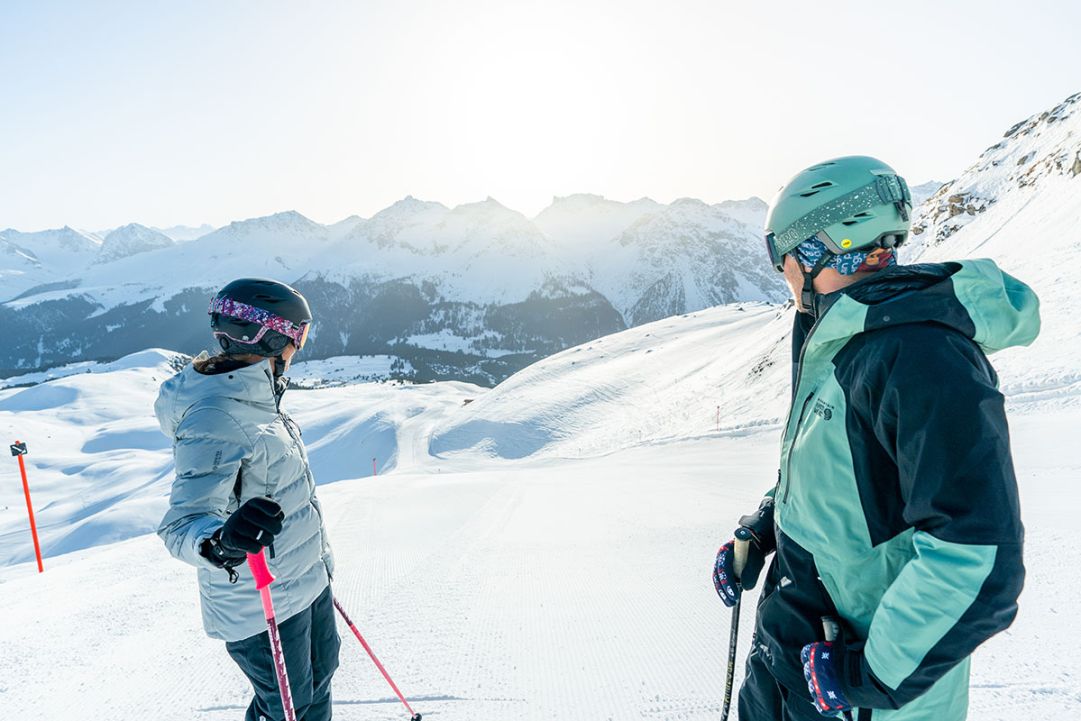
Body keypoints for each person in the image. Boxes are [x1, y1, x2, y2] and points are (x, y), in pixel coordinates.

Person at [712, 156, 1040, 720]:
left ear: (818, 248)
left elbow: (980, 556)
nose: (784, 274)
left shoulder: (919, 358)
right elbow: (843, 473)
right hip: (793, 665)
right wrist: (767, 528)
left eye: (782, 256)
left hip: (856, 696)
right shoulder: (849, 339)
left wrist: (866, 678)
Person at [156, 277, 339, 721]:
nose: (300, 347)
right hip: (261, 600)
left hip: (305, 578)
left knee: (320, 677)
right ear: (274, 336)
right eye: (300, 335)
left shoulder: (258, 397)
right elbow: (182, 524)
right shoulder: (217, 415)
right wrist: (222, 543)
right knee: (290, 708)